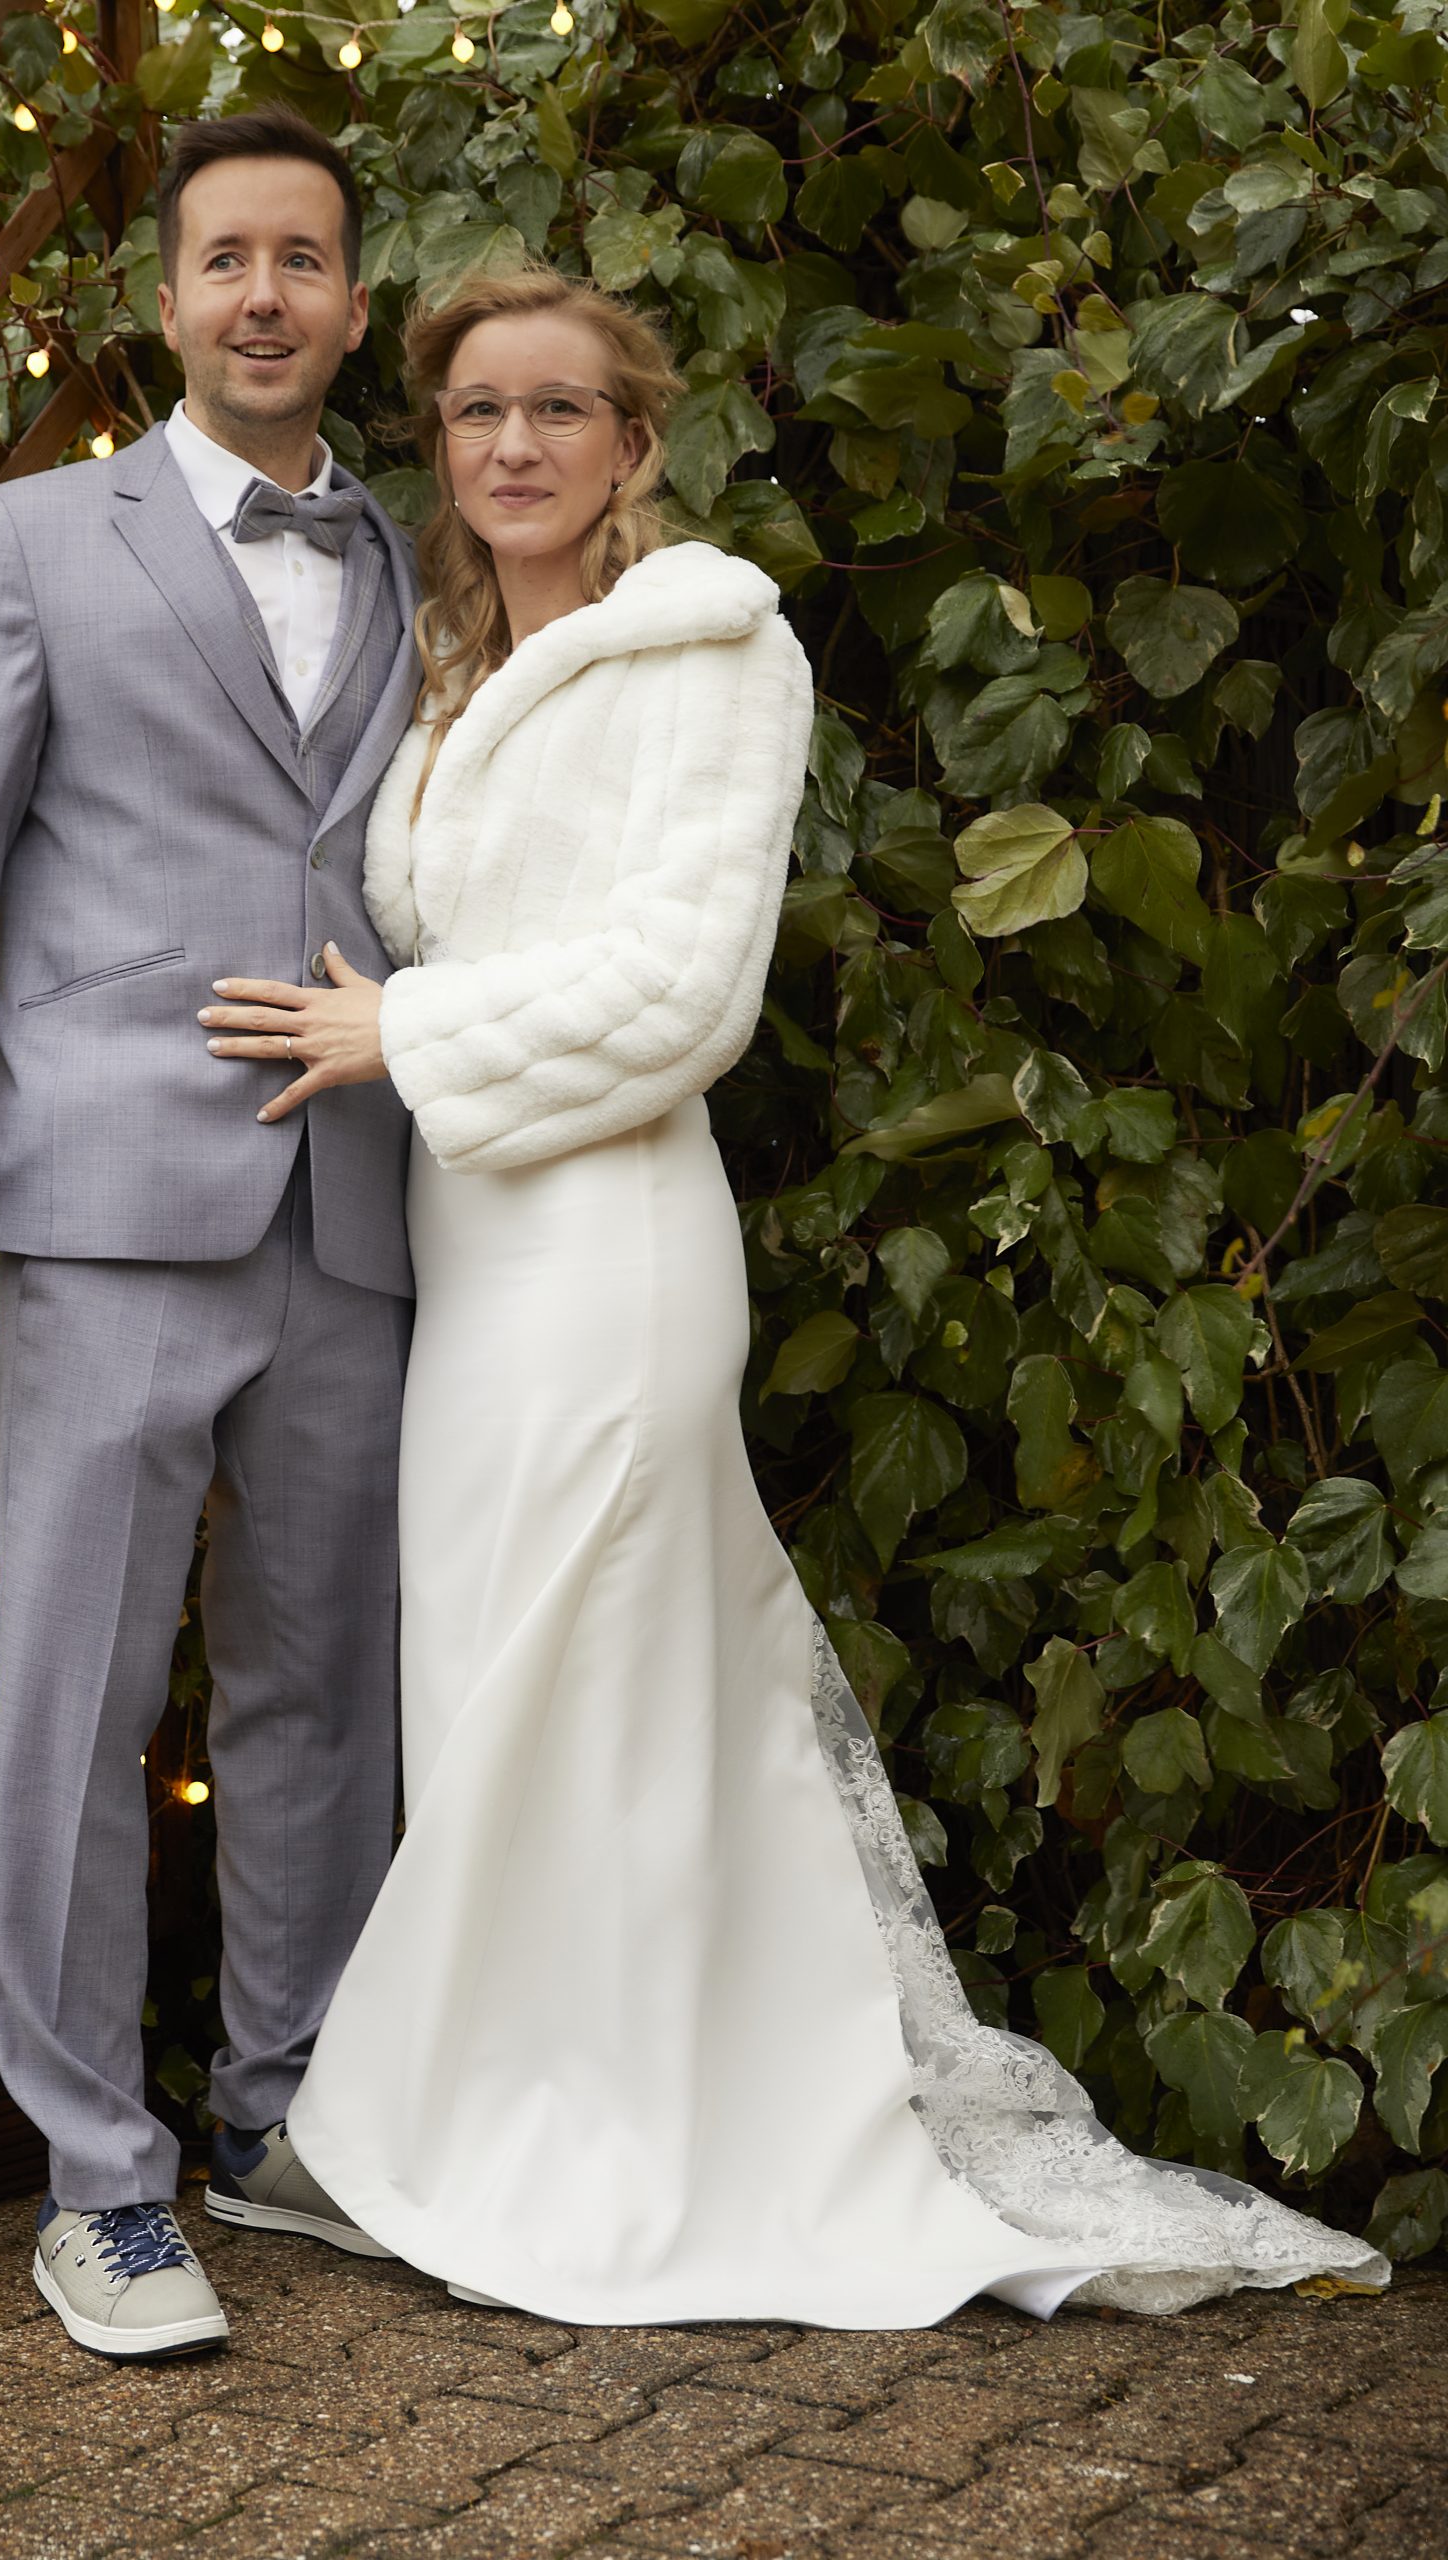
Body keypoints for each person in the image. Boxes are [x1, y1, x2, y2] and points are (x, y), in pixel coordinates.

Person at [197, 267, 1390, 2326]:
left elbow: (690, 992)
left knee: (587, 1689)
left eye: (557, 408)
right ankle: (512, 2111)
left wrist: (413, 1032)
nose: (510, 445)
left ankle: (617, 2144)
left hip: (611, 1251)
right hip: (467, 1257)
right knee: (498, 1688)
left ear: (634, 439)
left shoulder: (710, 647)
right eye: (475, 409)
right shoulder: (449, 669)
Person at [0, 104, 423, 2362]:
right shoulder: (28, 542)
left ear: (354, 304)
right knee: (83, 1706)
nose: (265, 295)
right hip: (98, 1218)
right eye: (226, 260)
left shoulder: (417, 555)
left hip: (356, 1207)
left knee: (323, 1692)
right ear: (167, 300)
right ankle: (99, 2181)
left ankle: (284, 2117)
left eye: (305, 259)